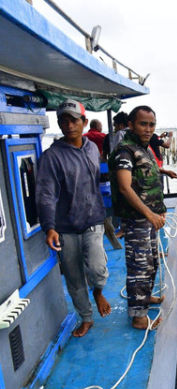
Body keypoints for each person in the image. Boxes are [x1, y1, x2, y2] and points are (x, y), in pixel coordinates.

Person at [36, 99, 111, 337]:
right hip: (65, 227)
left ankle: (98, 291)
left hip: (93, 221)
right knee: (74, 277)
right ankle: (86, 317)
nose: (68, 125)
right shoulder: (52, 156)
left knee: (97, 268)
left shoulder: (92, 148)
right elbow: (46, 194)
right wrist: (49, 227)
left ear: (84, 122)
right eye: (63, 121)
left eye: (73, 120)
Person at [109, 105, 177, 330]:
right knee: (139, 266)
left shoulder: (144, 148)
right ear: (131, 124)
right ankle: (139, 317)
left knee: (151, 263)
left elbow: (146, 174)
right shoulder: (125, 151)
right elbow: (125, 187)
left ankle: (145, 299)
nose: (148, 129)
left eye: (151, 125)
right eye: (143, 124)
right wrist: (149, 213)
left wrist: (164, 172)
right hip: (138, 219)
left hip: (150, 218)